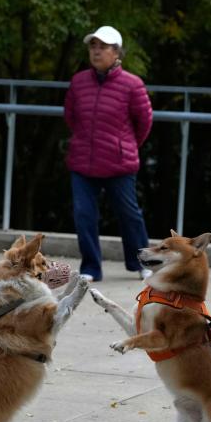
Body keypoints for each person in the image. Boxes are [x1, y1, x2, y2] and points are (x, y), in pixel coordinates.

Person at [64, 25, 153, 282]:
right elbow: (70, 116)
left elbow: (144, 122)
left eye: (102, 46)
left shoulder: (132, 85)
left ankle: (142, 263)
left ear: (116, 52)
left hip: (119, 163)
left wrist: (125, 145)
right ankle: (91, 268)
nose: (96, 51)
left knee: (129, 213)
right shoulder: (79, 81)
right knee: (83, 215)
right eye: (93, 46)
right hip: (83, 162)